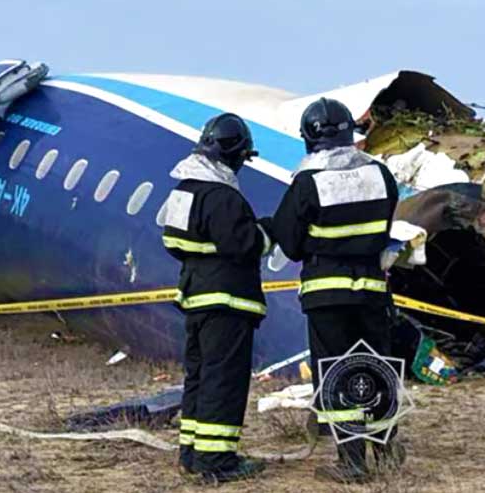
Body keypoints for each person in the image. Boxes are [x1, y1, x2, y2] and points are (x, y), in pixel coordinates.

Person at [261, 98, 404, 484]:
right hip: (372, 290)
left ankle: (353, 462)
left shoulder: (308, 181)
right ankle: (388, 449)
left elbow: (289, 243)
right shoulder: (381, 175)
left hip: (328, 295)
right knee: (377, 368)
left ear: (309, 137)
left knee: (339, 373)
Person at [161, 114, 269, 484]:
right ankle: (216, 460)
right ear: (236, 154)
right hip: (227, 302)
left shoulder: (184, 190)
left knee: (200, 376)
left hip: (195, 299)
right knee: (224, 379)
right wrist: (266, 232)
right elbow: (244, 245)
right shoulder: (223, 196)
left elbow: (172, 243)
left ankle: (191, 453)